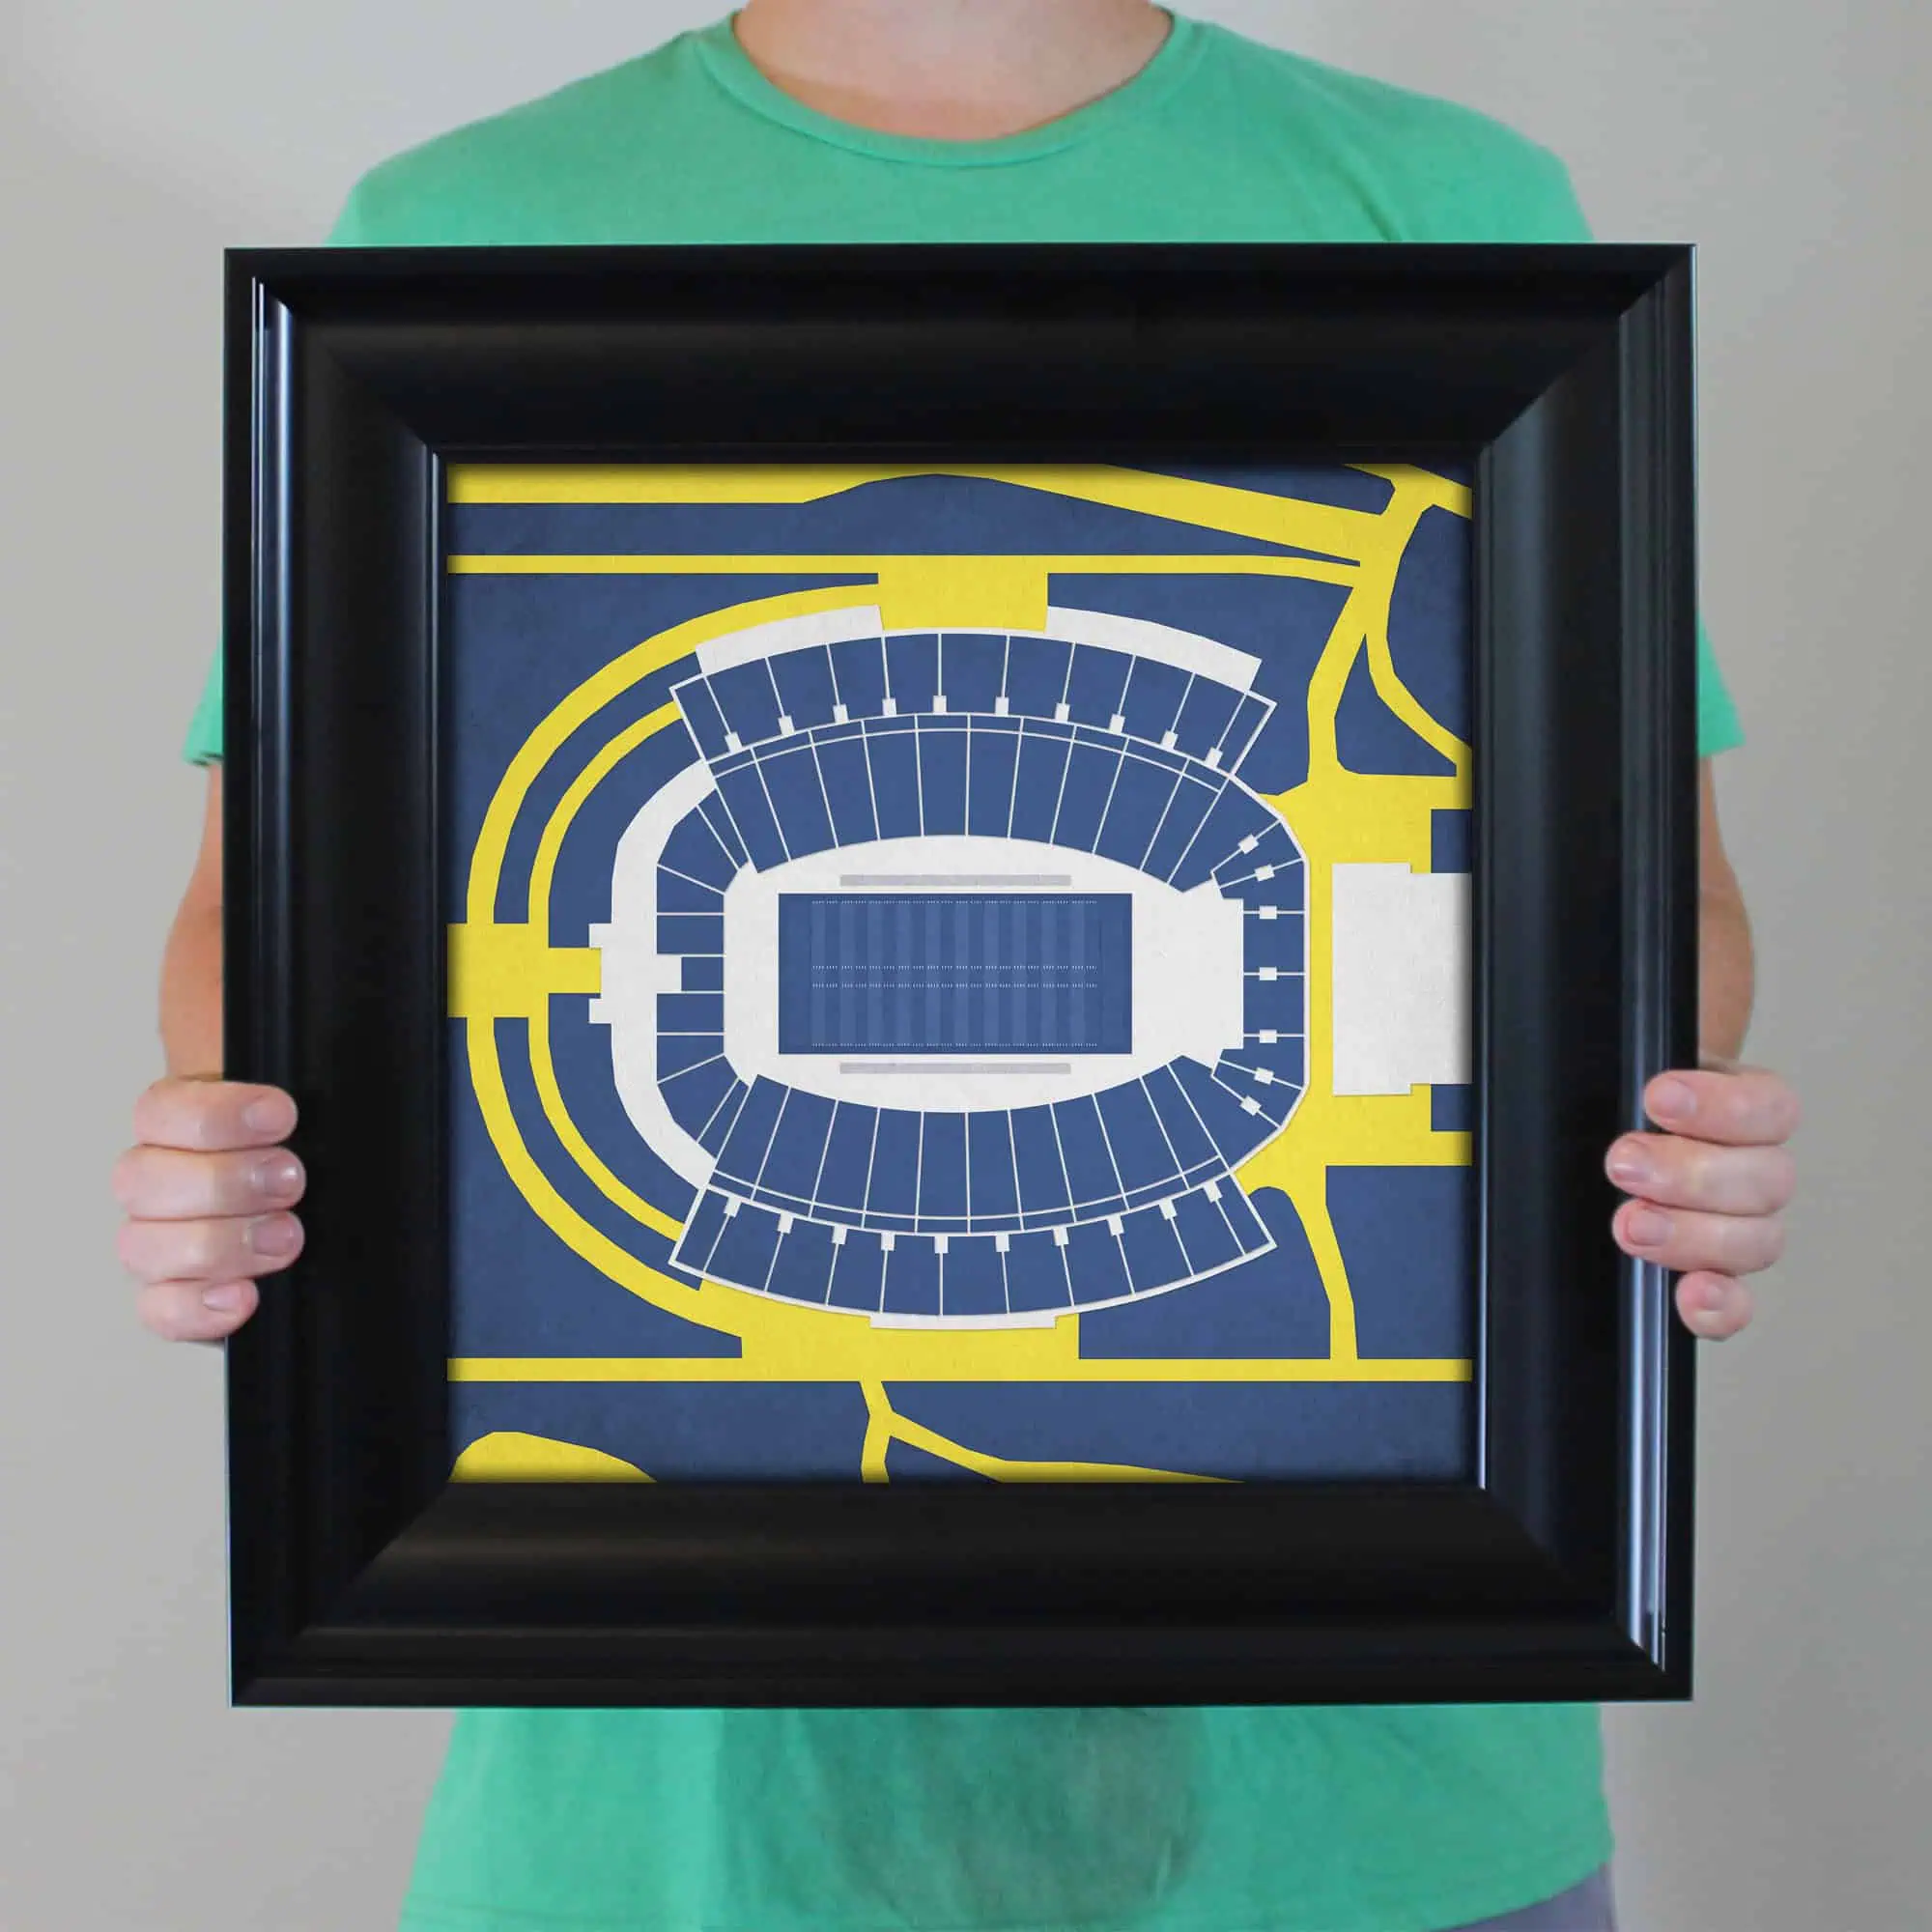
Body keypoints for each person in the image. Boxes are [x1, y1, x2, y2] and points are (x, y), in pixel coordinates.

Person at [112, 5, 1801, 1928]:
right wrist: (251, 1165)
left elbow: (1645, 900)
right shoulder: (461, 228)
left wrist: (1656, 1138)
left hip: (1369, 1812)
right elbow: (273, 922)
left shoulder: (1449, 204)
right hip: (683, 1827)